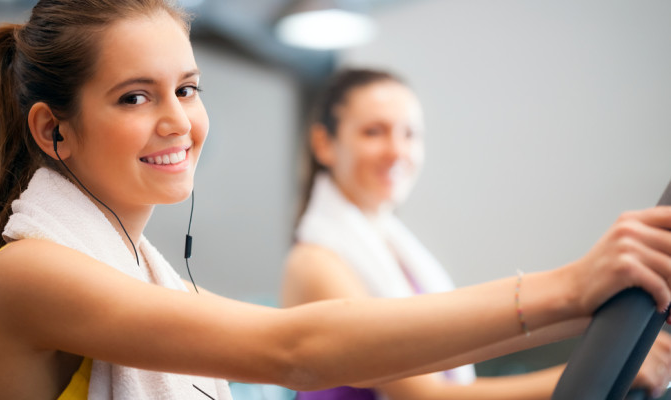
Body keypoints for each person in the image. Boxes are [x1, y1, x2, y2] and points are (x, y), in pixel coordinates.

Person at [0, 1, 671, 399]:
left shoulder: (140, 277)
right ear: (54, 129)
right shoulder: (25, 276)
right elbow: (298, 347)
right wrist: (574, 288)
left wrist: (586, 311)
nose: (177, 121)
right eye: (135, 96)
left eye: (187, 89)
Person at [281, 68, 671, 400]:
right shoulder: (316, 261)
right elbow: (424, 396)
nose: (397, 150)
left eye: (410, 133)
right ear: (323, 144)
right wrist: (599, 366)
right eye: (373, 131)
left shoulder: (394, 251)